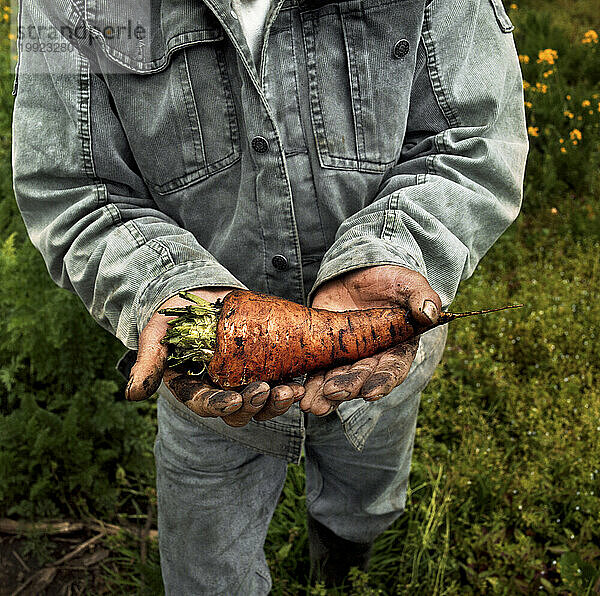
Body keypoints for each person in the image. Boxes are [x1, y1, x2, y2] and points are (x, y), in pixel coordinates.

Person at [12, 0, 528, 592]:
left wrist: (394, 252)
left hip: (381, 364)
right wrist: (164, 287)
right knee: (207, 571)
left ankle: (341, 571)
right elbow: (74, 186)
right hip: (207, 382)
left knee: (365, 509)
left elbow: (472, 139)